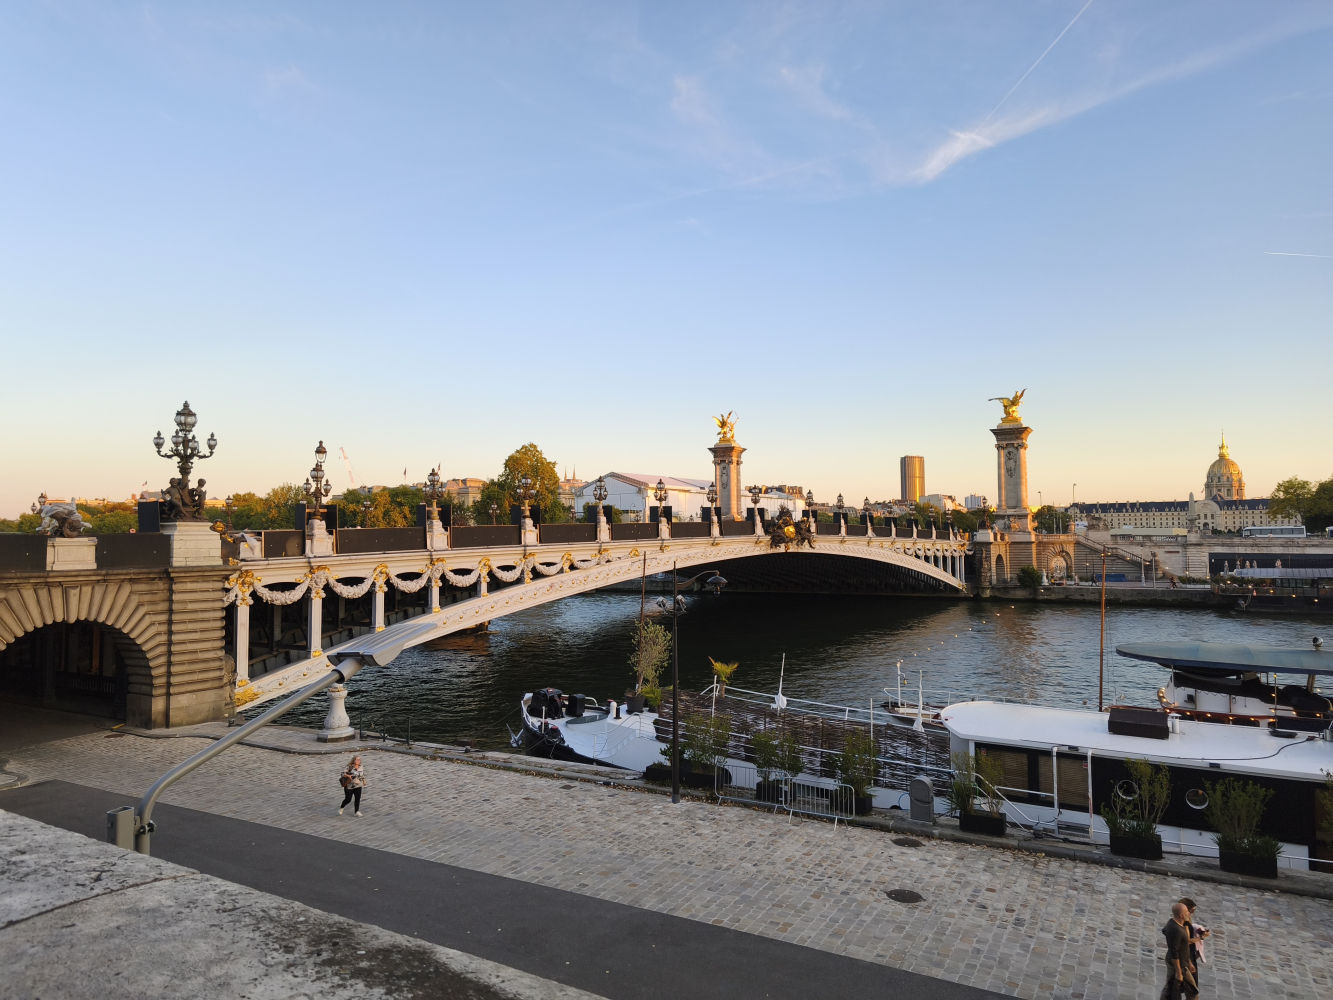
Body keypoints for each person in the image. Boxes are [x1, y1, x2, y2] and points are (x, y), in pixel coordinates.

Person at [1161, 901, 1198, 1000]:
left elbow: (1183, 947)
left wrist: (1189, 962)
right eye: (1187, 912)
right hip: (1179, 965)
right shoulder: (1177, 930)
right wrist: (1179, 972)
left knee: (1170, 987)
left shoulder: (1172, 922)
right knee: (1193, 992)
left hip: (1182, 962)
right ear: (1181, 915)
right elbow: (1175, 952)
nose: (1189, 914)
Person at [1179, 898, 1209, 986]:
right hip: (1187, 955)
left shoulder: (1186, 919)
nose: (1193, 912)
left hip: (1189, 954)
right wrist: (1202, 937)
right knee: (1192, 988)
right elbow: (1187, 941)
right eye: (1192, 910)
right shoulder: (1184, 922)